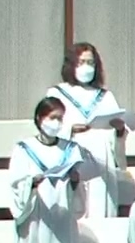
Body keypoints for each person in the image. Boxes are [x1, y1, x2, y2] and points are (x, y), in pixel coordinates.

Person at [47, 42, 129, 218]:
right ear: (72, 64)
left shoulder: (105, 96)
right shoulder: (58, 93)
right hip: (73, 152)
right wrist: (70, 128)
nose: (87, 67)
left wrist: (119, 131)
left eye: (91, 63)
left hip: (101, 159)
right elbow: (47, 126)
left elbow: (115, 135)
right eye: (82, 62)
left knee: (100, 209)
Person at [8, 98, 84, 243]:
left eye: (60, 118)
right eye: (52, 117)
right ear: (39, 118)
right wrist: (31, 184)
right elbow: (16, 185)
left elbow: (78, 197)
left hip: (61, 217)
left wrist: (74, 182)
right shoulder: (24, 149)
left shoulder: (70, 150)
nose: (56, 123)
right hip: (36, 216)